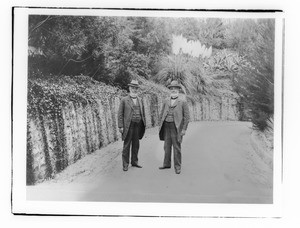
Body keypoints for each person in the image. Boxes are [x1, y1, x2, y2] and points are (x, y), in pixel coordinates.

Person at [158, 80, 190, 174]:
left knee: (177, 147)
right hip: (166, 126)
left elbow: (187, 117)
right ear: (170, 90)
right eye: (172, 88)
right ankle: (166, 164)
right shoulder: (166, 101)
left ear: (178, 90)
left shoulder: (183, 102)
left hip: (177, 127)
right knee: (166, 146)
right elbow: (161, 113)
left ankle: (177, 166)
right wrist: (160, 124)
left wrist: (184, 129)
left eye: (175, 88)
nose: (173, 90)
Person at [118, 80, 146, 171]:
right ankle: (125, 164)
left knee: (136, 144)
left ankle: (134, 162)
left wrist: (143, 122)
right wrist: (120, 126)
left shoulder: (140, 100)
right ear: (129, 88)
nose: (134, 89)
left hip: (137, 125)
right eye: (133, 88)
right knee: (126, 145)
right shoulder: (124, 100)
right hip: (128, 126)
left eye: (136, 88)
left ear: (137, 89)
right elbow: (120, 114)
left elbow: (143, 113)